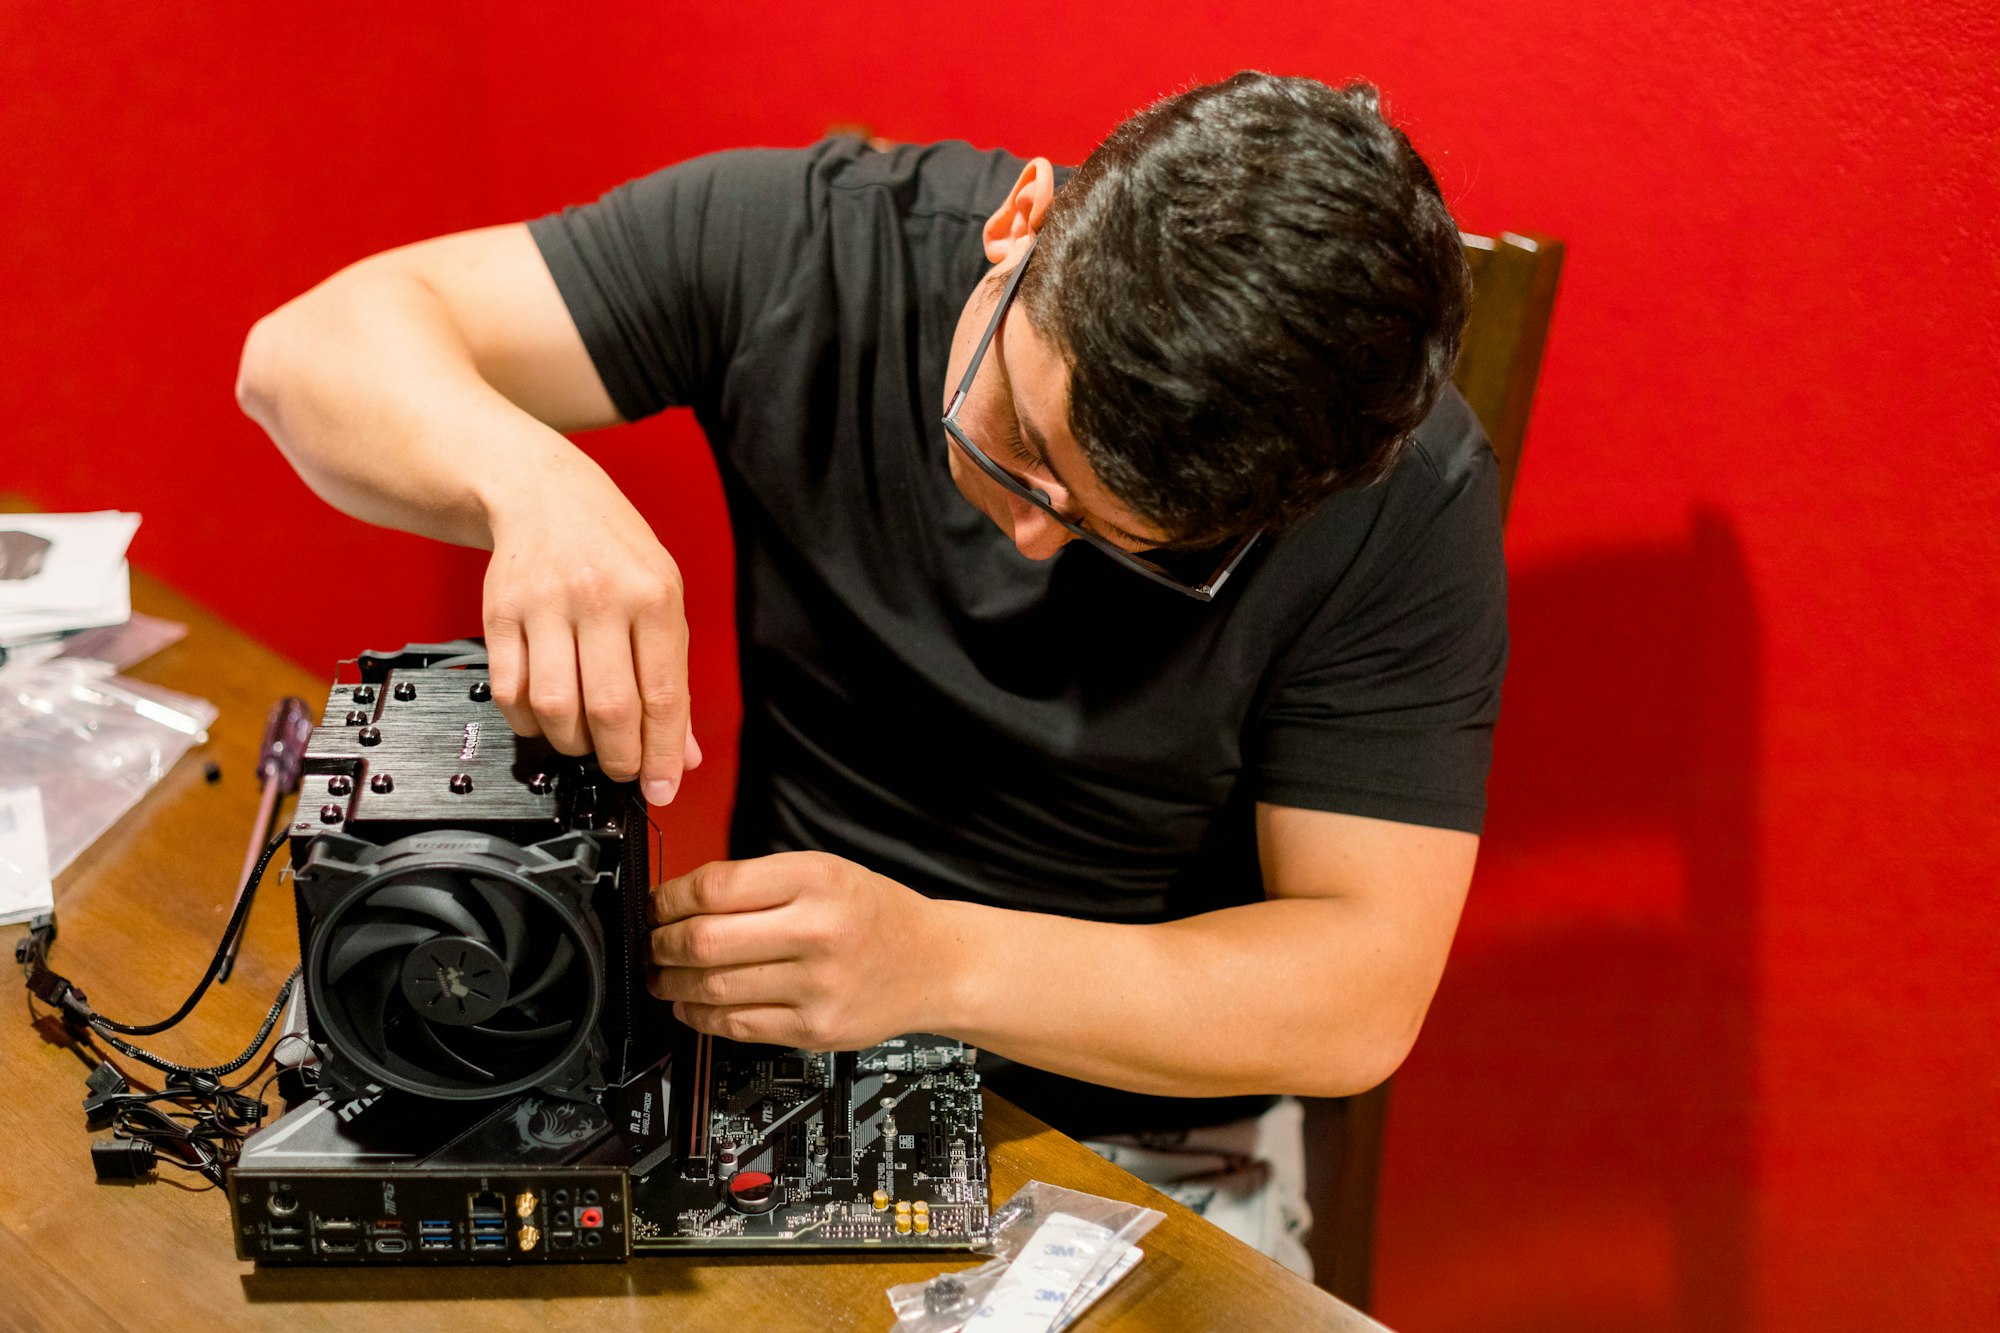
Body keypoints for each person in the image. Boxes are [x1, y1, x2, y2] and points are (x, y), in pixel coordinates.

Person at [237, 71, 1505, 1276]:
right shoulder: (815, 247)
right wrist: (534, 485)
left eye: (1131, 543)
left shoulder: (1402, 497)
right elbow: (303, 356)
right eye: (1017, 441)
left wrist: (937, 964)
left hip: (1144, 1142)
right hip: (759, 1075)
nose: (1028, 532)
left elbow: (1354, 997)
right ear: (1023, 223)